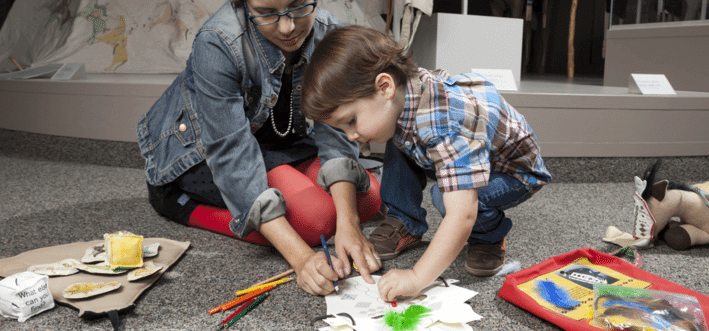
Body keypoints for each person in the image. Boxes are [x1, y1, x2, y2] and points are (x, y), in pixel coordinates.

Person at [136, 0, 383, 296]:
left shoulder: (330, 34)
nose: (287, 27)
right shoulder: (217, 42)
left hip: (279, 141)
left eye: (298, 6)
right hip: (205, 154)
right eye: (266, 13)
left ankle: (299, 202)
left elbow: (334, 133)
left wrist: (350, 224)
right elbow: (232, 157)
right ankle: (180, 204)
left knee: (369, 199)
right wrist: (302, 258)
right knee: (315, 220)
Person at [301, 25, 552, 302]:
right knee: (391, 132)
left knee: (445, 199)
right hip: (466, 151)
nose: (351, 136)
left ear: (384, 86)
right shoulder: (401, 96)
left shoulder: (442, 122)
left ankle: (489, 236)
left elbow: (462, 215)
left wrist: (417, 277)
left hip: (512, 172)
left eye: (351, 121)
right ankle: (404, 220)